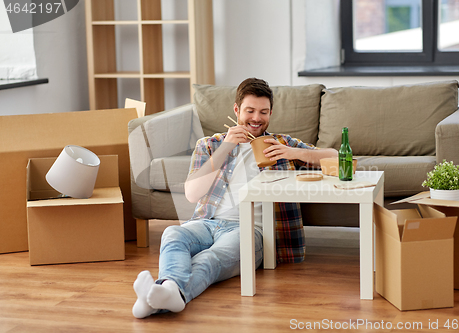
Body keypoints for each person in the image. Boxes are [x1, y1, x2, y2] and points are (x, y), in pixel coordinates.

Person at [132, 78, 337, 318]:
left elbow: (334, 156)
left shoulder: (281, 143)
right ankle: (167, 292)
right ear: (237, 110)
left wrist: (294, 153)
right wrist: (225, 148)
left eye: (263, 112)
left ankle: (164, 293)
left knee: (211, 257)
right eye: (250, 111)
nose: (256, 118)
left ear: (271, 113)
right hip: (207, 223)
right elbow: (192, 194)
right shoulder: (210, 145)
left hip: (252, 230)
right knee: (172, 233)